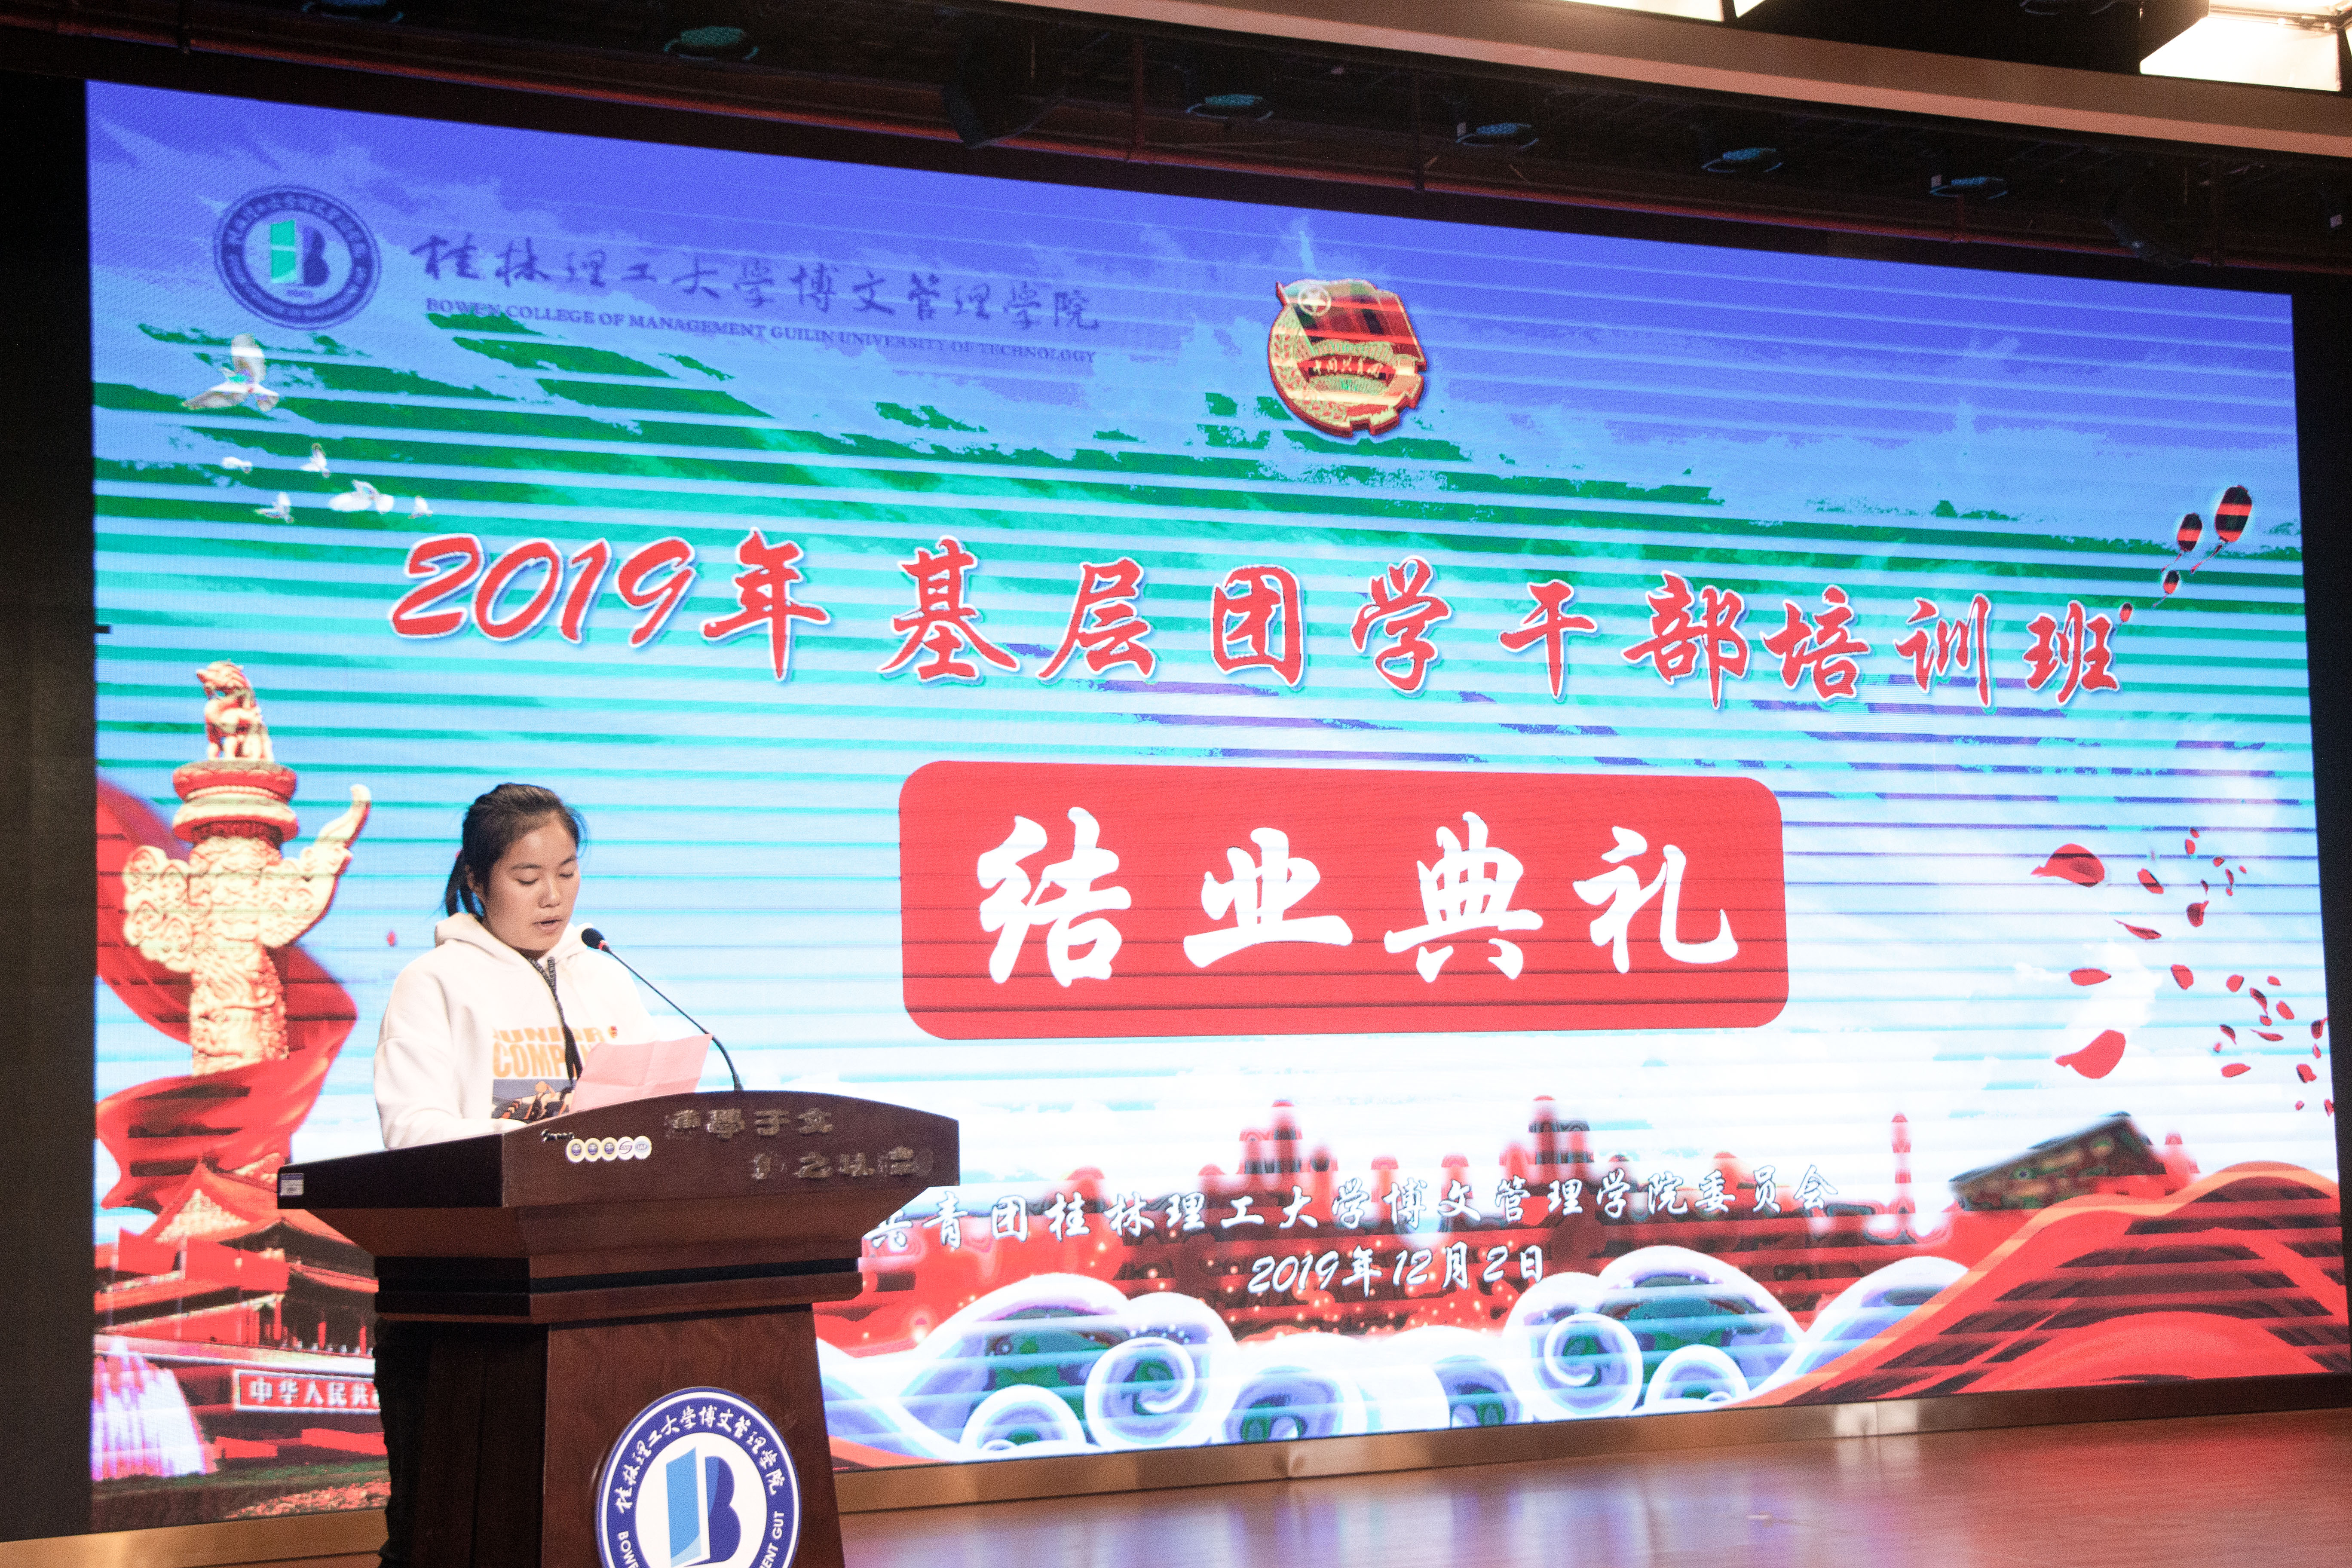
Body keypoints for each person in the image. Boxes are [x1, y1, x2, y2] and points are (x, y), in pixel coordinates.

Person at [370, 782, 657, 1565]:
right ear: (477, 879)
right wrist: (540, 1139)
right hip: (466, 1297)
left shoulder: (606, 975)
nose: (553, 896)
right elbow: (412, 1133)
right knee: (451, 1530)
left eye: (567, 872)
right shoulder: (434, 982)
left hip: (594, 1283)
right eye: (528, 878)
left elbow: (652, 1117)